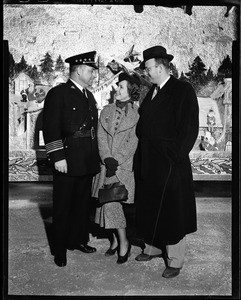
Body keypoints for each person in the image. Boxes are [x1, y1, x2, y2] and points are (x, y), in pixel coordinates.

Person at [134, 46, 199, 278]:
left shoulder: (182, 90)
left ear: (160, 67)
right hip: (150, 161)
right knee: (151, 205)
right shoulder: (152, 91)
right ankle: (152, 248)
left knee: (172, 212)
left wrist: (174, 156)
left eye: (149, 68)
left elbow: (189, 129)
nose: (147, 72)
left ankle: (175, 259)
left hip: (170, 163)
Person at [42, 51, 100, 267]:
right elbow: (51, 128)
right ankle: (60, 249)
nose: (93, 75)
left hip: (86, 160)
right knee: (63, 206)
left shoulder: (89, 95)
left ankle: (78, 240)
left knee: (81, 205)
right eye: (90, 71)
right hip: (67, 159)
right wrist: (57, 156)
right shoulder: (59, 94)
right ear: (78, 70)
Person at [92, 72, 140, 264]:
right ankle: (114, 241)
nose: (116, 89)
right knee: (104, 204)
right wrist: (107, 158)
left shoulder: (137, 115)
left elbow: (133, 142)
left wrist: (116, 161)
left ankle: (124, 243)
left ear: (131, 91)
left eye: (120, 87)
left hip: (122, 168)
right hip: (105, 166)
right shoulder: (106, 111)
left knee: (113, 205)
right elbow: (101, 137)